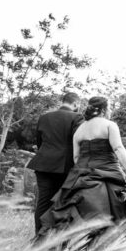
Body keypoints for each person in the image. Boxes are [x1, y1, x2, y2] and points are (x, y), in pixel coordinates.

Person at [38, 96, 126, 238]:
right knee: (120, 209)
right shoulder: (109, 125)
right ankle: (114, 243)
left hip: (82, 174)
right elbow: (118, 148)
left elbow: (76, 158)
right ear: (104, 109)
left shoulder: (80, 130)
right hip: (108, 171)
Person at [27, 92, 83, 234]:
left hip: (43, 164)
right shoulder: (77, 117)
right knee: (63, 201)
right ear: (75, 104)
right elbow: (77, 142)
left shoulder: (44, 117)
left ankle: (39, 236)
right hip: (65, 166)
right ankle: (58, 236)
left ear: (62, 101)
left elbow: (39, 142)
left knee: (43, 201)